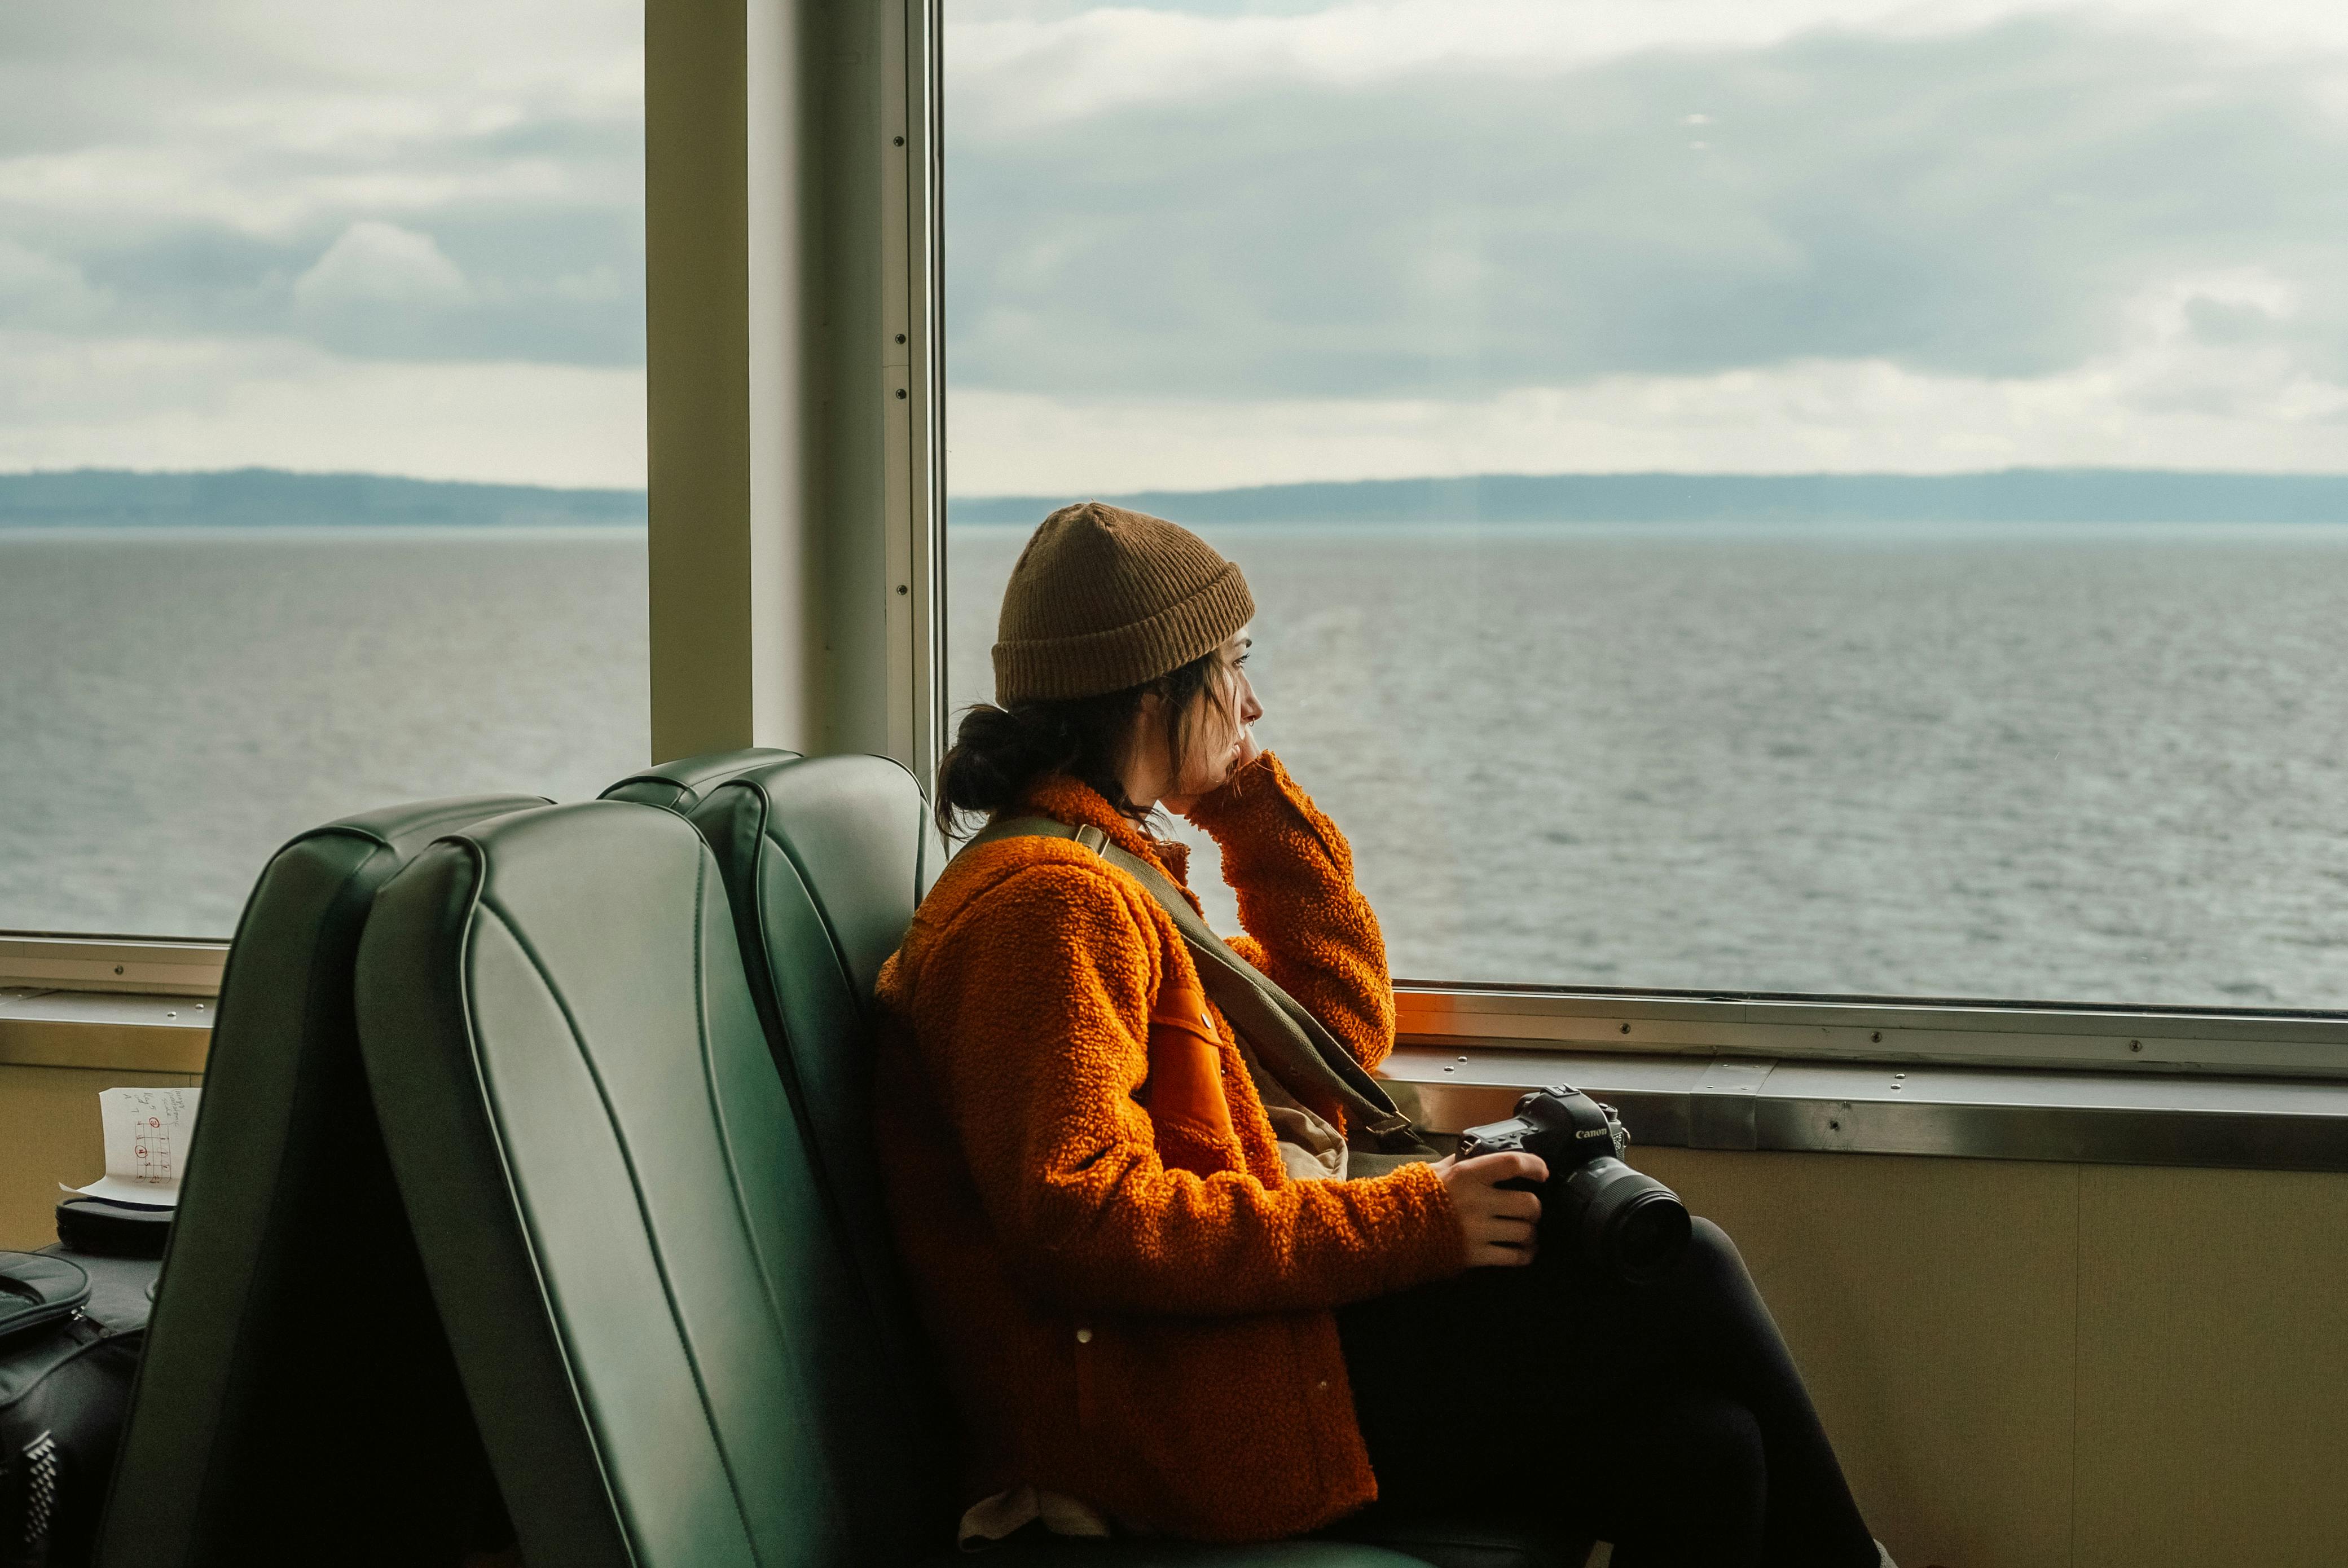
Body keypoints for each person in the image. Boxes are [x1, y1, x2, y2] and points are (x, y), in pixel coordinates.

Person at [872, 501, 1895, 1568]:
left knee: (1706, 1454)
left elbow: (1336, 1036)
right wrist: (1418, 1225)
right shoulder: (1046, 909)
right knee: (1686, 1268)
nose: (1254, 701)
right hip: (1162, 1420)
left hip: (1219, 1362)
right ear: (1156, 688)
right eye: (1234, 666)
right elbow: (1084, 1224)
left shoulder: (1109, 875)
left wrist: (1247, 796)